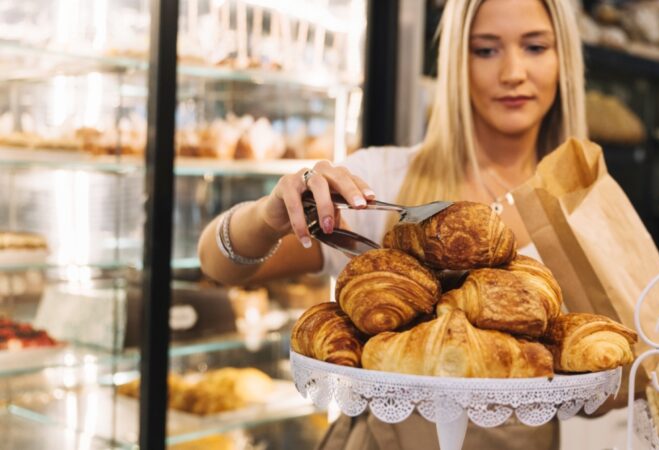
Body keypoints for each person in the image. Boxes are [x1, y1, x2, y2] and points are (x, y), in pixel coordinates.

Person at [199, 0, 586, 448]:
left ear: (564, 60)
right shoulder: (382, 179)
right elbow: (216, 263)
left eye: (535, 47)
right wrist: (265, 218)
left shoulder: (585, 206)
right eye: (485, 50)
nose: (513, 72)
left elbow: (622, 379)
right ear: (455, 62)